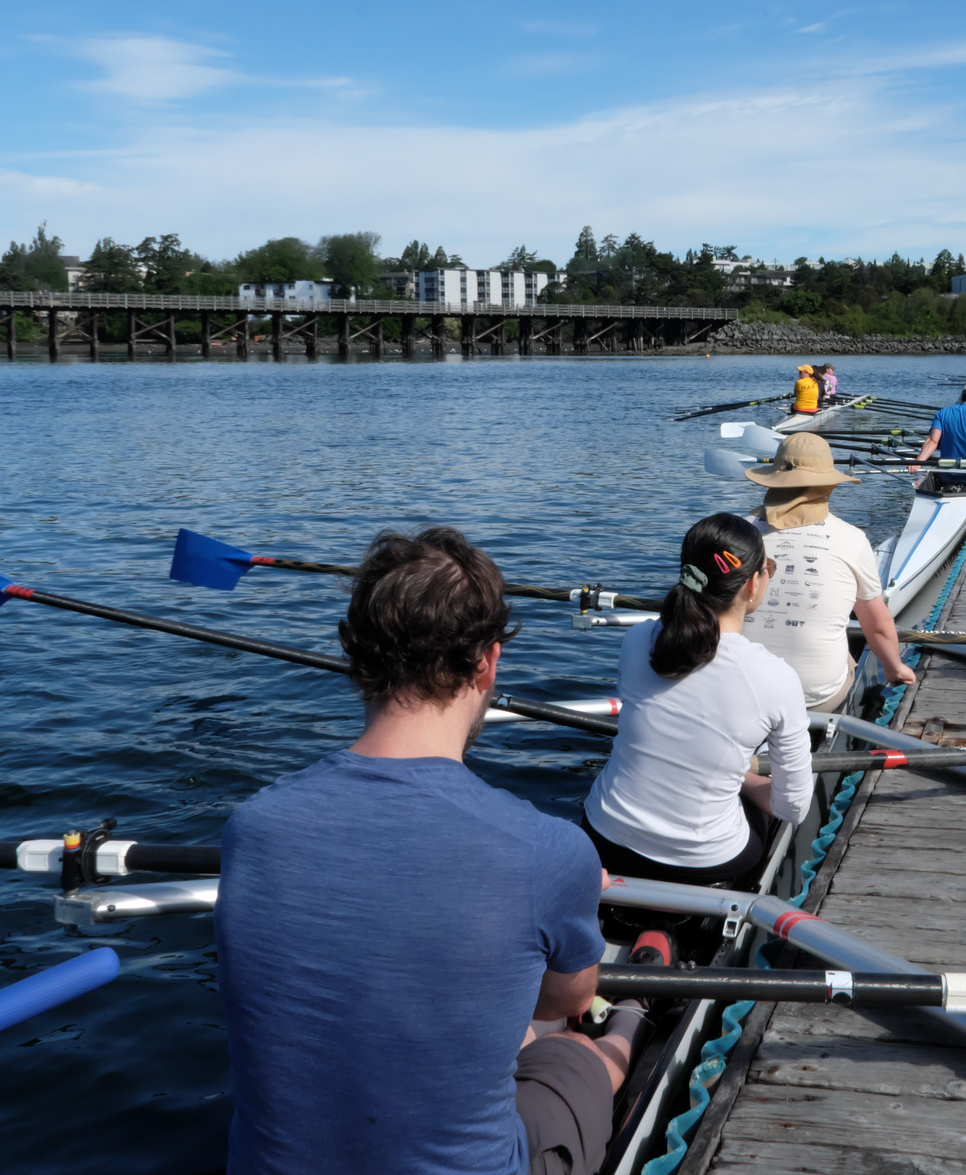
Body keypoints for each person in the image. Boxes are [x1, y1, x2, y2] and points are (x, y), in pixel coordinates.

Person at [218, 527, 640, 1175]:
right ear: (488, 663)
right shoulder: (552, 851)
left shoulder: (251, 826)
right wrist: (572, 892)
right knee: (575, 1053)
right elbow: (565, 1002)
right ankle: (636, 1023)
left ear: (355, 656)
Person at [584, 514, 812, 884]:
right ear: (752, 584)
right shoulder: (775, 677)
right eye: (768, 567)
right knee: (766, 816)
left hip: (603, 836)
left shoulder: (638, 639)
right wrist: (739, 777)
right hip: (705, 861)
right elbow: (794, 806)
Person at [740, 434, 917, 709]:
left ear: (773, 478)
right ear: (827, 485)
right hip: (814, 699)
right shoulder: (853, 539)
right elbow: (878, 625)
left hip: (738, 689)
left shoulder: (733, 531)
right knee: (848, 656)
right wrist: (895, 669)